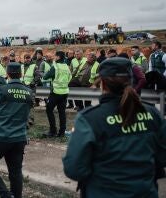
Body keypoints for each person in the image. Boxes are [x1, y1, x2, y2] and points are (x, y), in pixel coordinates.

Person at [63, 57, 166, 197]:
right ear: (131, 81)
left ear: (103, 83)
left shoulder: (89, 119)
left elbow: (74, 169)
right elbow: (161, 158)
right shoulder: (153, 114)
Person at [0, 63, 33, 198]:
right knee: (15, 171)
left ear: (7, 74)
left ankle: (6, 195)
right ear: (21, 74)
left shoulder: (1, 89)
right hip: (19, 138)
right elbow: (28, 114)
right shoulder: (29, 92)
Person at [42, 51, 72, 137]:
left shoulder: (55, 66)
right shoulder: (66, 66)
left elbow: (45, 77)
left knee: (49, 110)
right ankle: (62, 132)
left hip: (55, 92)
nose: (54, 57)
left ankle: (53, 131)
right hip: (65, 92)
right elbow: (70, 77)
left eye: (55, 56)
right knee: (62, 112)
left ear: (58, 57)